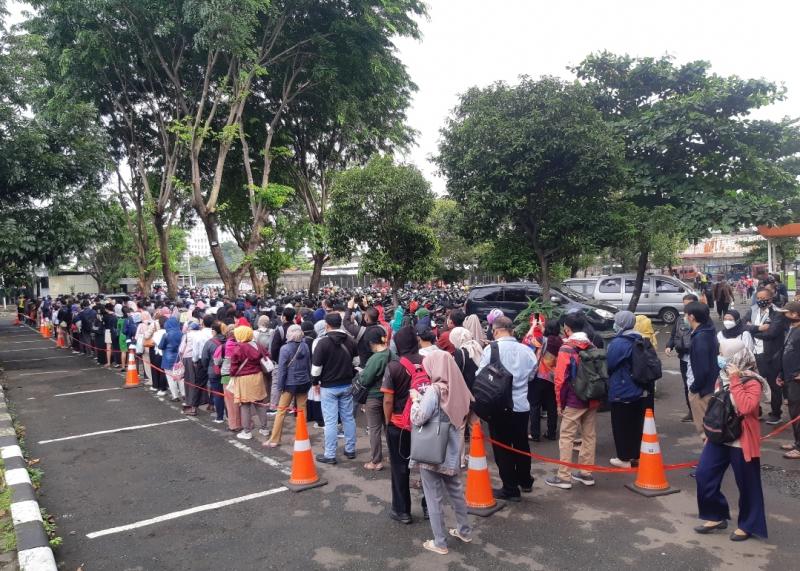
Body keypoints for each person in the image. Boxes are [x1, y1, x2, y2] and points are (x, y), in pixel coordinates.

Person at [694, 339, 768, 541]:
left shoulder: (753, 381)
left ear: (736, 357)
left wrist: (735, 380)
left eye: (723, 354)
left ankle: (748, 524)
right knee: (704, 474)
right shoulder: (721, 376)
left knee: (748, 484)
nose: (720, 357)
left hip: (742, 440)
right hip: (719, 436)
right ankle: (715, 515)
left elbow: (746, 408)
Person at [410, 351, 473, 555]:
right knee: (455, 491)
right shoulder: (458, 388)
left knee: (433, 496)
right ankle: (464, 530)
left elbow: (419, 418)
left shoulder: (434, 390)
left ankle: (440, 542)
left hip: (432, 450)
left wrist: (415, 401)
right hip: (453, 449)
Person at [477, 316, 537, 501]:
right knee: (521, 445)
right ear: (512, 330)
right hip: (521, 407)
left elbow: (480, 375)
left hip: (499, 408)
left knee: (502, 449)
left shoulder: (490, 350)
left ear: (495, 331)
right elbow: (531, 377)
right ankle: (525, 481)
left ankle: (510, 488)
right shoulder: (527, 351)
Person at [546, 312, 600, 490]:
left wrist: (559, 403)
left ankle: (564, 476)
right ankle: (586, 473)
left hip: (574, 399)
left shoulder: (567, 348)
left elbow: (560, 379)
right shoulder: (591, 344)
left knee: (567, 437)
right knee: (589, 435)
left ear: (567, 329)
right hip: (592, 397)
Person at [381, 325, 425, 524]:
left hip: (399, 424)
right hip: (425, 423)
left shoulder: (394, 367)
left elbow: (388, 400)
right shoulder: (428, 363)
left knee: (400, 468)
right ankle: (428, 508)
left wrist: (387, 420)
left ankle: (402, 511)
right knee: (427, 466)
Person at [311, 313, 357, 464]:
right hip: (347, 384)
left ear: (327, 325)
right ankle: (350, 449)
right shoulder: (350, 340)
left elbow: (316, 369)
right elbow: (356, 362)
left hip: (328, 387)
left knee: (330, 421)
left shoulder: (322, 343)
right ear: (340, 324)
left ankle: (330, 454)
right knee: (348, 418)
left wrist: (315, 382)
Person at [606, 311, 646, 468]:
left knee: (621, 425)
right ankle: (636, 455)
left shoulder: (619, 343)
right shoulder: (639, 338)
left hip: (622, 388)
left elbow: (610, 364)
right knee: (635, 424)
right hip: (638, 388)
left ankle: (623, 458)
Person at [745, 287, 787, 425]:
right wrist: (758, 328)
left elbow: (771, 334)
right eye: (758, 298)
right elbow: (742, 325)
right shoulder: (753, 310)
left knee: (773, 386)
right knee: (752, 384)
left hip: (771, 355)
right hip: (753, 353)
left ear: (770, 298)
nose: (760, 301)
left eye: (763, 299)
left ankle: (776, 414)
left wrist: (752, 330)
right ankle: (756, 411)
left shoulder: (777, 313)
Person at [266, 324, 311, 447]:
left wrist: (280, 387)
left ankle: (275, 439)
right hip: (304, 382)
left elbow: (282, 371)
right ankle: (301, 436)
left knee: (281, 411)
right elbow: (308, 365)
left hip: (289, 384)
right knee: (302, 410)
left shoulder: (284, 349)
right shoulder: (305, 346)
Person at [686, 301, 720, 440]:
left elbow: (703, 368)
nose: (685, 317)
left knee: (705, 430)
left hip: (703, 390)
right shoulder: (708, 331)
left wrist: (694, 389)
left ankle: (708, 461)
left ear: (692, 317)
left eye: (686, 314)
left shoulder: (700, 338)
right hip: (711, 386)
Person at [229, 325, 270, 440]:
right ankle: (264, 428)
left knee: (245, 405)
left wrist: (232, 375)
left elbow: (233, 366)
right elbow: (267, 356)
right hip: (258, 376)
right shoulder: (257, 345)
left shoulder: (239, 347)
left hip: (244, 378)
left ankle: (247, 431)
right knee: (260, 403)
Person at [358, 328, 391, 470]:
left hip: (374, 397)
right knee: (389, 427)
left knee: (375, 429)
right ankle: (393, 454)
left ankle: (376, 460)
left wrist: (360, 373)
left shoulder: (375, 358)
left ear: (371, 342)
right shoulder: (392, 354)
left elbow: (365, 380)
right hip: (389, 396)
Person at [527, 318, 562, 442]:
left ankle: (535, 434)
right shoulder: (561, 341)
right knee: (552, 406)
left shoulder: (542, 340)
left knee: (535, 405)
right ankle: (551, 433)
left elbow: (528, 341)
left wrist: (532, 327)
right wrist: (542, 328)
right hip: (553, 377)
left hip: (540, 376)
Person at [666, 293, 699, 423]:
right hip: (684, 358)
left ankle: (702, 411)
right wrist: (669, 346)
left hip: (697, 358)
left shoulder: (702, 320)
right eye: (684, 305)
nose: (686, 308)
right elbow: (674, 335)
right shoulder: (680, 319)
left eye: (689, 305)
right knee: (687, 385)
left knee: (699, 384)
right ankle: (691, 411)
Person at [778, 301, 800, 459]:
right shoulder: (792, 329)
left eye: (786, 313)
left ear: (795, 314)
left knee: (798, 412)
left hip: (797, 379)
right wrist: (781, 374)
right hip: (788, 377)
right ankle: (797, 441)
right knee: (793, 411)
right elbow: (787, 353)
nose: (784, 315)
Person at [202, 321, 226, 424]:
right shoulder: (228, 341)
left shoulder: (210, 343)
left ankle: (220, 417)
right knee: (228, 393)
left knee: (217, 394)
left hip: (214, 371)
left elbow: (204, 358)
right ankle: (230, 416)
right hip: (227, 371)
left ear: (214, 331)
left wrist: (206, 368)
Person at [448, 326, 482, 392]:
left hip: (468, 388)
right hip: (480, 385)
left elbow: (455, 372)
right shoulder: (475, 345)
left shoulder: (460, 353)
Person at [159, 317, 184, 403]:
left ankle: (175, 396)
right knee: (180, 377)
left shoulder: (166, 335)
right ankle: (184, 394)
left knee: (170, 378)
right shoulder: (182, 334)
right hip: (179, 357)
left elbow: (160, 346)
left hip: (168, 358)